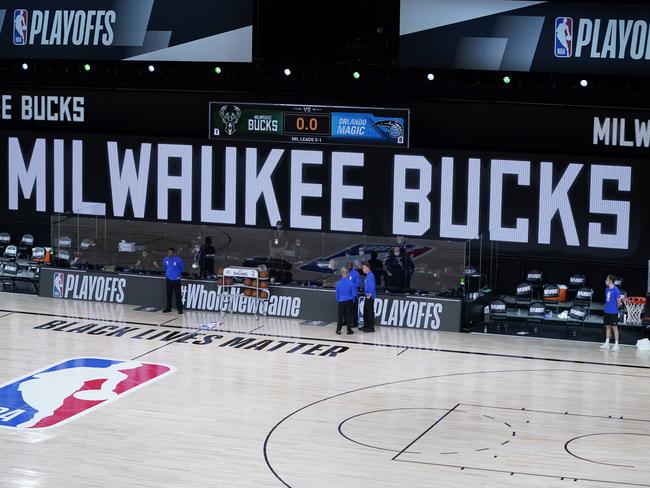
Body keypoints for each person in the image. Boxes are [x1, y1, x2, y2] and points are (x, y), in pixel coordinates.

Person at [600, 274, 622, 351]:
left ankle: (616, 345)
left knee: (615, 328)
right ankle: (607, 343)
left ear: (610, 280)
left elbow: (619, 301)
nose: (606, 280)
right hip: (607, 311)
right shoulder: (607, 289)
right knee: (607, 327)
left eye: (607, 279)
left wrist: (617, 307)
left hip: (613, 312)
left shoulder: (616, 290)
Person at [162, 247, 184, 314]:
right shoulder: (165, 259)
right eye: (169, 252)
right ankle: (168, 308)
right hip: (169, 279)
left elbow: (182, 268)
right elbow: (165, 267)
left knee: (178, 295)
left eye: (171, 252)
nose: (170, 253)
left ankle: (180, 309)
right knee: (169, 294)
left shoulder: (178, 260)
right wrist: (168, 274)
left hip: (176, 279)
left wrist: (178, 275)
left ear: (174, 253)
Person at [335, 267, 356, 335]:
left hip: (341, 301)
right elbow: (353, 294)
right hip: (349, 301)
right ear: (347, 274)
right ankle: (349, 330)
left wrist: (338, 300)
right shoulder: (351, 283)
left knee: (340, 316)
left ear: (341, 273)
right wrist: (353, 301)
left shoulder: (338, 283)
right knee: (348, 316)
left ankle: (338, 330)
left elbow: (337, 294)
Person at [360, 262, 376, 332]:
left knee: (370, 312)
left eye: (363, 268)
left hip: (370, 296)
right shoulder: (368, 275)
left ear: (367, 268)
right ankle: (366, 325)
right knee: (365, 311)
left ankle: (371, 327)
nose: (362, 270)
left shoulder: (371, 275)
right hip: (367, 296)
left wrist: (370, 294)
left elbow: (372, 286)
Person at [347, 261, 362, 327]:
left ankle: (355, 323)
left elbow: (358, 284)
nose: (348, 267)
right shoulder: (346, 273)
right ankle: (346, 321)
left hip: (353, 295)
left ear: (352, 266)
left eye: (349, 266)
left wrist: (350, 285)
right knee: (347, 309)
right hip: (346, 295)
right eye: (347, 265)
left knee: (353, 310)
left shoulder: (356, 274)